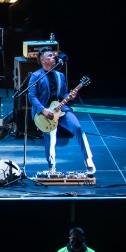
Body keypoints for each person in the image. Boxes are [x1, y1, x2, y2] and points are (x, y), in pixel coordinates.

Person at [27, 46, 94, 174]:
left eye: (54, 55)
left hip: (62, 110)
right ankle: (52, 167)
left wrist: (70, 96)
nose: (54, 57)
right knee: (51, 139)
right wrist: (43, 110)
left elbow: (63, 94)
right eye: (50, 56)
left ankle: (88, 160)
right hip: (46, 113)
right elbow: (31, 96)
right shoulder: (36, 76)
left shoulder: (60, 75)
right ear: (42, 60)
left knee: (78, 128)